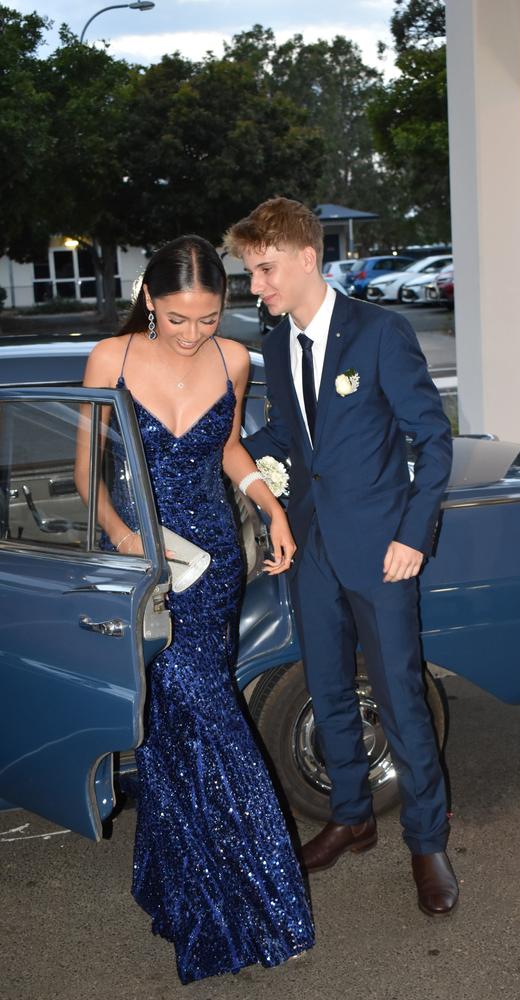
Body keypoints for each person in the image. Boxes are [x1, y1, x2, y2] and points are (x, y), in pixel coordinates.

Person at [78, 235, 314, 983]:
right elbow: (88, 470)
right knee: (191, 712)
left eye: (208, 318)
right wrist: (125, 539)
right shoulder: (109, 359)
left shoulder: (233, 361)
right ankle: (243, 891)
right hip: (144, 564)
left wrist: (269, 507)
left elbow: (230, 448)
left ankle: (193, 887)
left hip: (211, 564)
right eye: (178, 318)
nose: (192, 335)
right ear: (149, 298)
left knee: (187, 713)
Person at [224, 198, 459, 918]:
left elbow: (433, 441)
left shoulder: (381, 332)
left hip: (384, 552)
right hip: (312, 549)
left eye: (263, 270)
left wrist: (413, 537)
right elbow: (295, 445)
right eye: (250, 272)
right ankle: (352, 817)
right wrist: (232, 460)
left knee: (399, 698)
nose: (256, 285)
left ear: (303, 258)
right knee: (327, 689)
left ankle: (427, 842)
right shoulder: (274, 345)